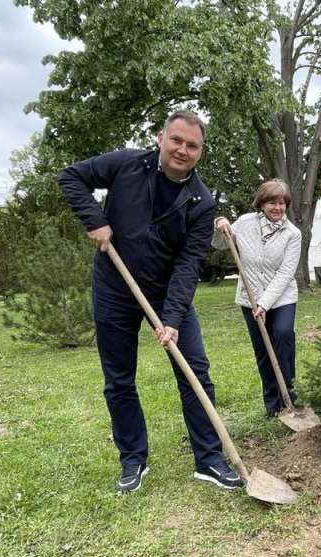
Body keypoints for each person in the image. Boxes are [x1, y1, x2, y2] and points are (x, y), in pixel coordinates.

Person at [58, 110, 243, 493]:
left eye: (192, 145)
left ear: (200, 152)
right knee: (119, 380)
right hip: (114, 286)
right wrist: (95, 219)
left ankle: (209, 459)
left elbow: (190, 262)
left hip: (164, 291)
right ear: (161, 138)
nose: (182, 150)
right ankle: (132, 460)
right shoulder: (126, 163)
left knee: (195, 371)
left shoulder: (201, 201)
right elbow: (71, 176)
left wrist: (172, 316)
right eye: (176, 140)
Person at [213, 180, 301, 418]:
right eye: (272, 202)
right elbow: (221, 244)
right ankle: (272, 406)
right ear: (261, 203)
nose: (277, 207)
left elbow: (285, 274)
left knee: (283, 336)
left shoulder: (293, 234)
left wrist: (264, 303)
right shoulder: (244, 223)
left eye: (282, 203)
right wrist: (220, 223)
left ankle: (289, 397)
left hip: (281, 297)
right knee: (262, 350)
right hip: (249, 298)